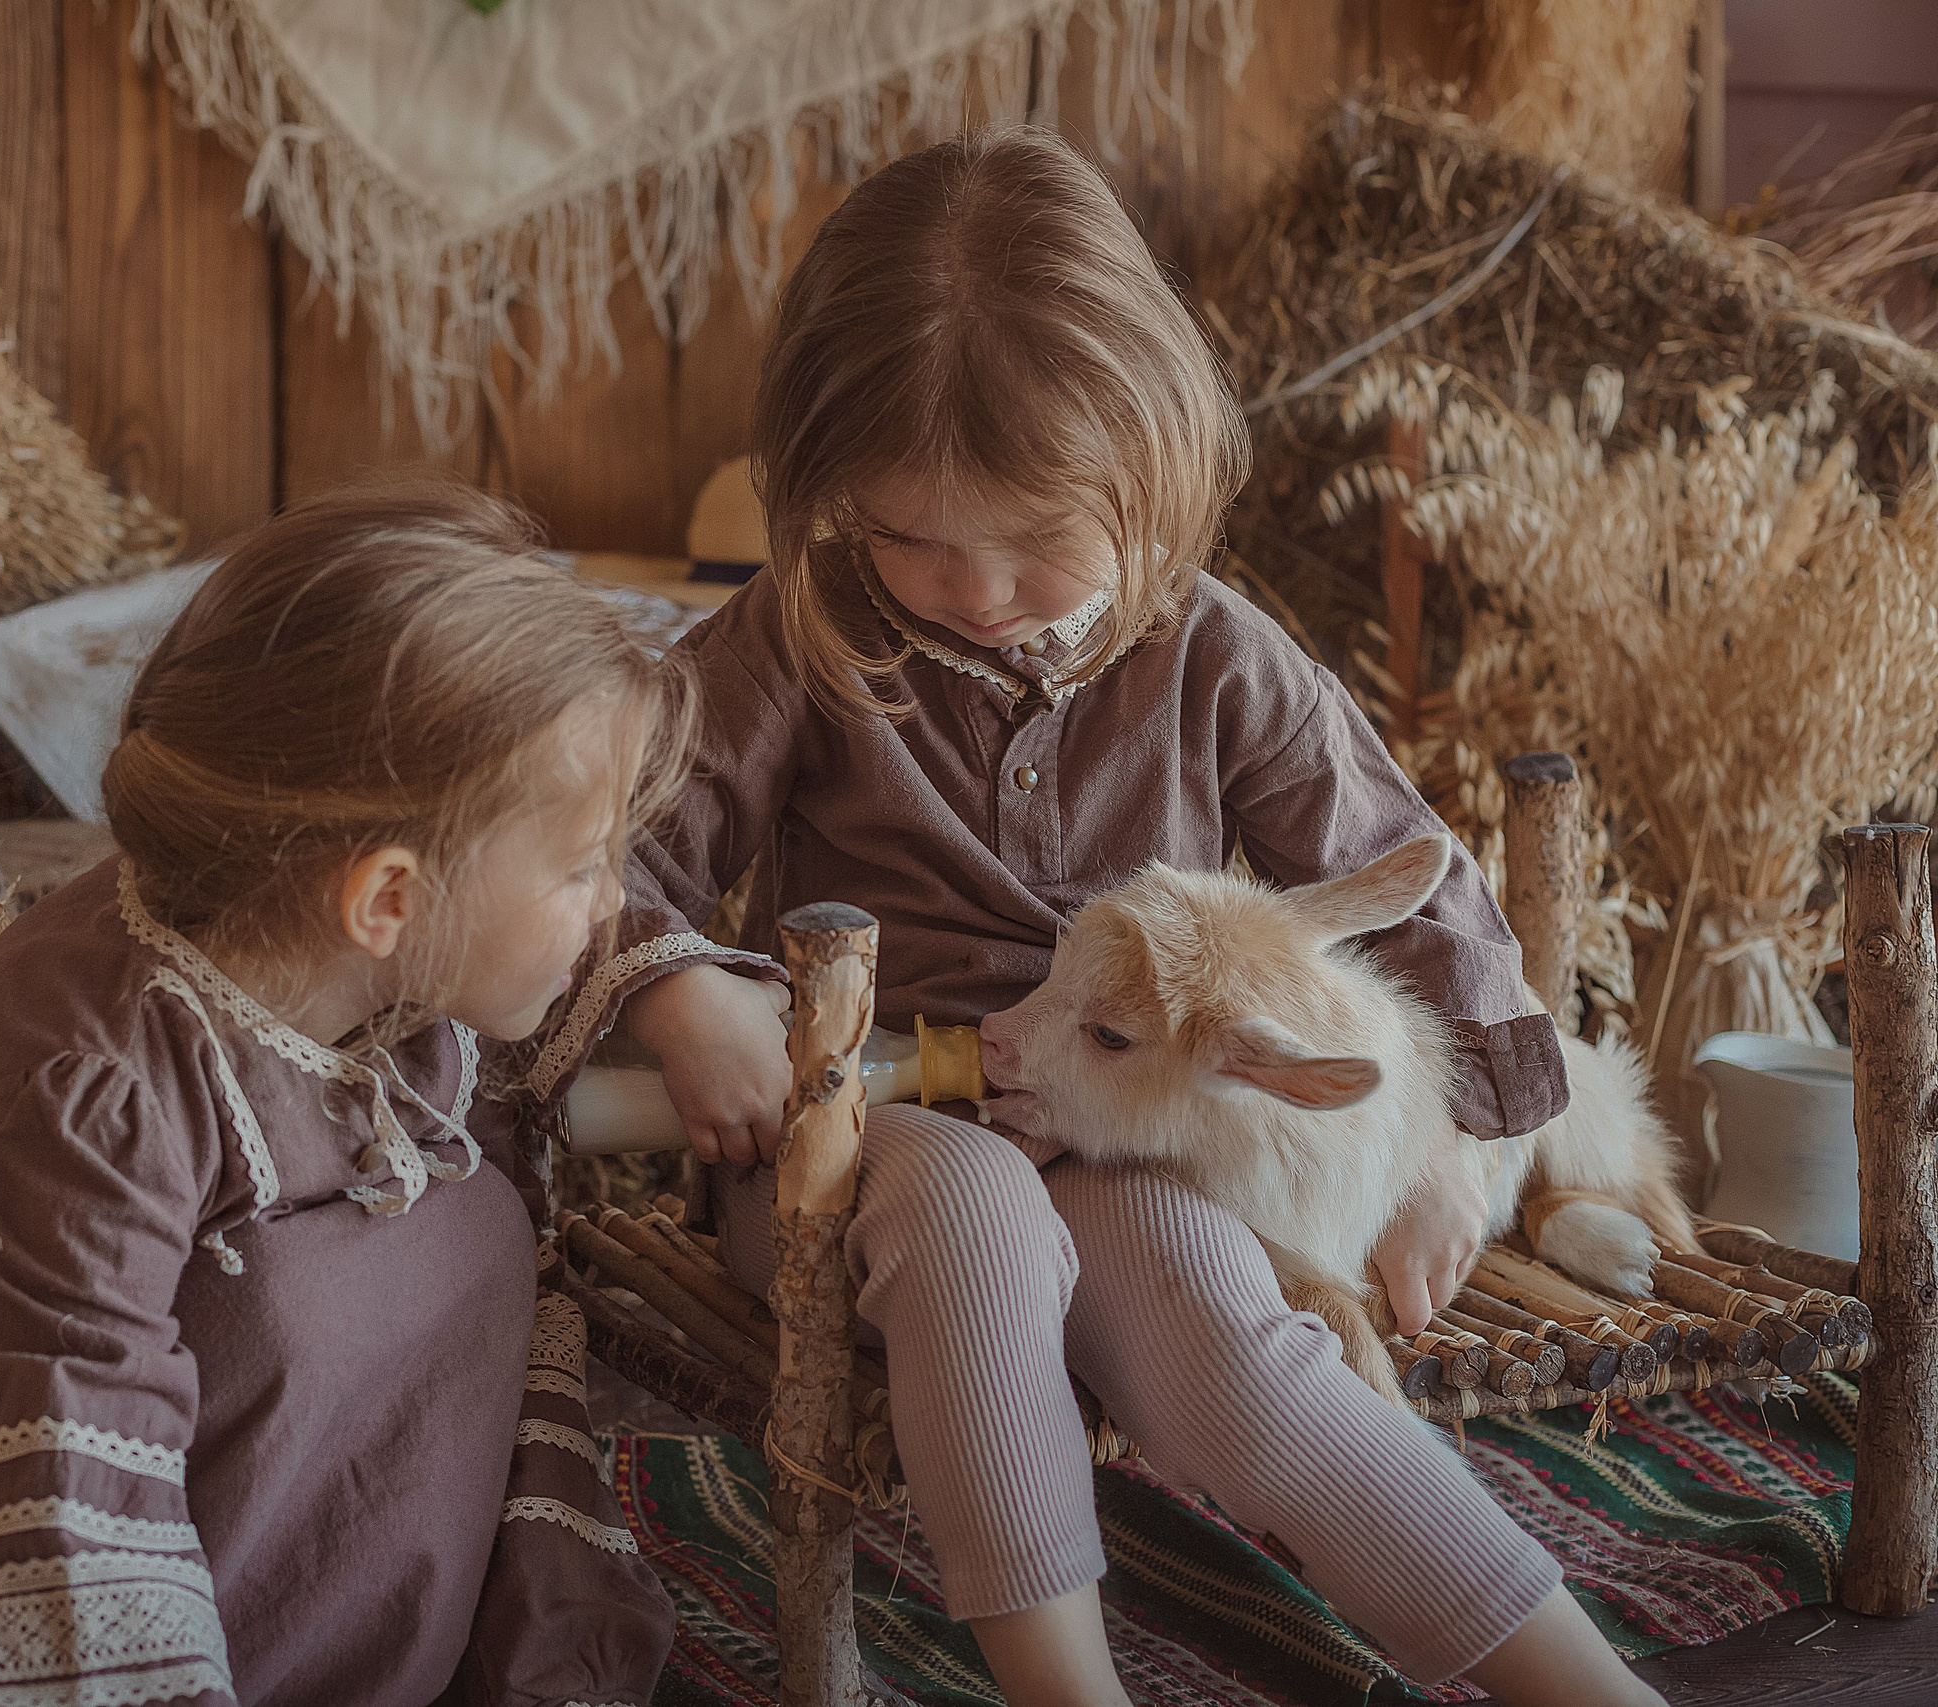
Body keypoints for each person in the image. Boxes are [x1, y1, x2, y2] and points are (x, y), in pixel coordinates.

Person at [528, 130, 1664, 1707]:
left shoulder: (1219, 655)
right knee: (978, 1220)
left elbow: (1417, 885)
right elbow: (596, 851)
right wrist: (681, 999)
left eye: (1041, 538)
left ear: (1152, 467)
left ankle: (1585, 1682)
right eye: (912, 535)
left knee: (1223, 1321)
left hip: (1125, 1135)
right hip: (860, 1135)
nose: (980, 587)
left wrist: (1456, 1153)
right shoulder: (799, 634)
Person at [0, 482, 680, 1707]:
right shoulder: (92, 1089)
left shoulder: (344, 954)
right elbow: (62, 1441)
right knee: (296, 1299)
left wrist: (690, 999)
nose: (614, 902)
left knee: (453, 1228)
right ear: (386, 898)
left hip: (155, 1416)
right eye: (587, 868)